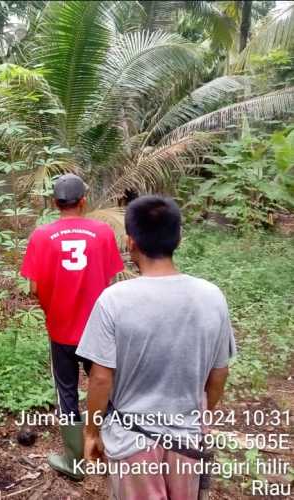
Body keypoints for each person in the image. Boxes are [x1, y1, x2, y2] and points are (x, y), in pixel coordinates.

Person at [77, 195, 237, 500]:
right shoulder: (211, 296)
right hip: (187, 442)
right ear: (179, 238)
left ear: (129, 242)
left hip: (131, 443)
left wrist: (92, 432)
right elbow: (218, 376)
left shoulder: (113, 300)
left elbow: (100, 378)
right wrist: (195, 421)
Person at [20, 174, 124, 480]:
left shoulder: (41, 235)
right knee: (105, 386)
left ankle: (75, 462)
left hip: (61, 330)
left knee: (66, 392)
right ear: (83, 201)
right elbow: (112, 282)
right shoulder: (103, 232)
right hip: (98, 332)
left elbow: (35, 287)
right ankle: (107, 452)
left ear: (55, 203)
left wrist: (52, 310)